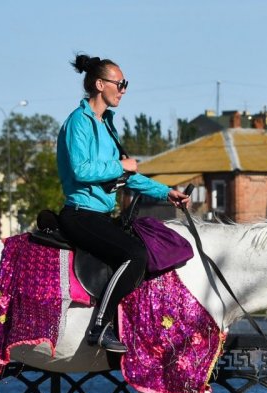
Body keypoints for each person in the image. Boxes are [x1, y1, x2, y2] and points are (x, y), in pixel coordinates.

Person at [56, 53, 190, 353]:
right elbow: (81, 169)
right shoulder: (79, 121)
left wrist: (166, 192)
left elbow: (129, 174)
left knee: (153, 246)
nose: (124, 89)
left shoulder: (107, 125)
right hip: (80, 214)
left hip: (101, 215)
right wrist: (122, 167)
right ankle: (100, 327)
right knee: (133, 254)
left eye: (125, 83)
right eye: (121, 83)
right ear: (100, 84)